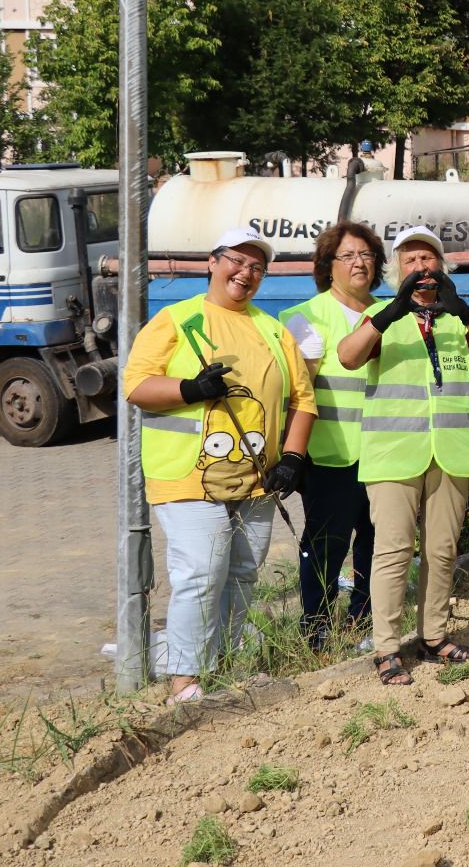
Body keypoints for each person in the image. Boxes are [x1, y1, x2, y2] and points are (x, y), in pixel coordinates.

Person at [123, 227, 316, 703]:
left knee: (242, 575)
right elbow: (135, 385)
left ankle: (227, 665)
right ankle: (185, 680)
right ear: (212, 262)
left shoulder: (272, 330)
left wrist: (292, 457)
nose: (245, 273)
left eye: (257, 267)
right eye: (236, 261)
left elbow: (303, 400)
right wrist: (189, 389)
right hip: (187, 475)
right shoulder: (176, 320)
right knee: (202, 573)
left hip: (257, 481)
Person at [337, 225, 469, 685]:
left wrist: (465, 311)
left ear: (442, 268)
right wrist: (390, 312)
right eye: (410, 261)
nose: (420, 268)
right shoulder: (379, 315)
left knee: (442, 549)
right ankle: (387, 648)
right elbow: (348, 357)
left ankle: (434, 636)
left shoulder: (457, 319)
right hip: (394, 454)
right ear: (397, 271)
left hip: (450, 453)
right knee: (392, 552)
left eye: (428, 259)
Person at [278, 221, 385, 651]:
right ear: (328, 265)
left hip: (385, 452)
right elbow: (297, 394)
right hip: (331, 456)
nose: (359, 263)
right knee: (325, 546)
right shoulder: (305, 318)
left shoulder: (390, 311)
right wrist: (293, 455)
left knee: (378, 543)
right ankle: (317, 625)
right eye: (348, 255)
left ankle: (364, 619)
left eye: (367, 255)